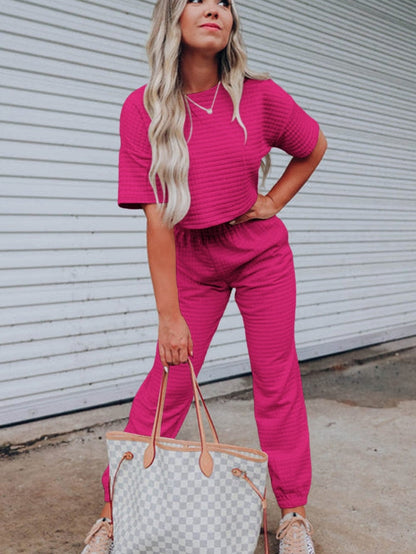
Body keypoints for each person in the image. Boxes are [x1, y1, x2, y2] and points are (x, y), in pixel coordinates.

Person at [81, 0, 327, 552]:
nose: (215, 8)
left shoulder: (261, 95)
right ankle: (115, 512)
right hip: (192, 257)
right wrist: (169, 318)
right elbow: (157, 222)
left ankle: (291, 514)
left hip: (260, 255)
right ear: (173, 17)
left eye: (225, 2)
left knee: (276, 377)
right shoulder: (142, 109)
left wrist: (271, 203)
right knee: (167, 383)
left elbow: (313, 147)